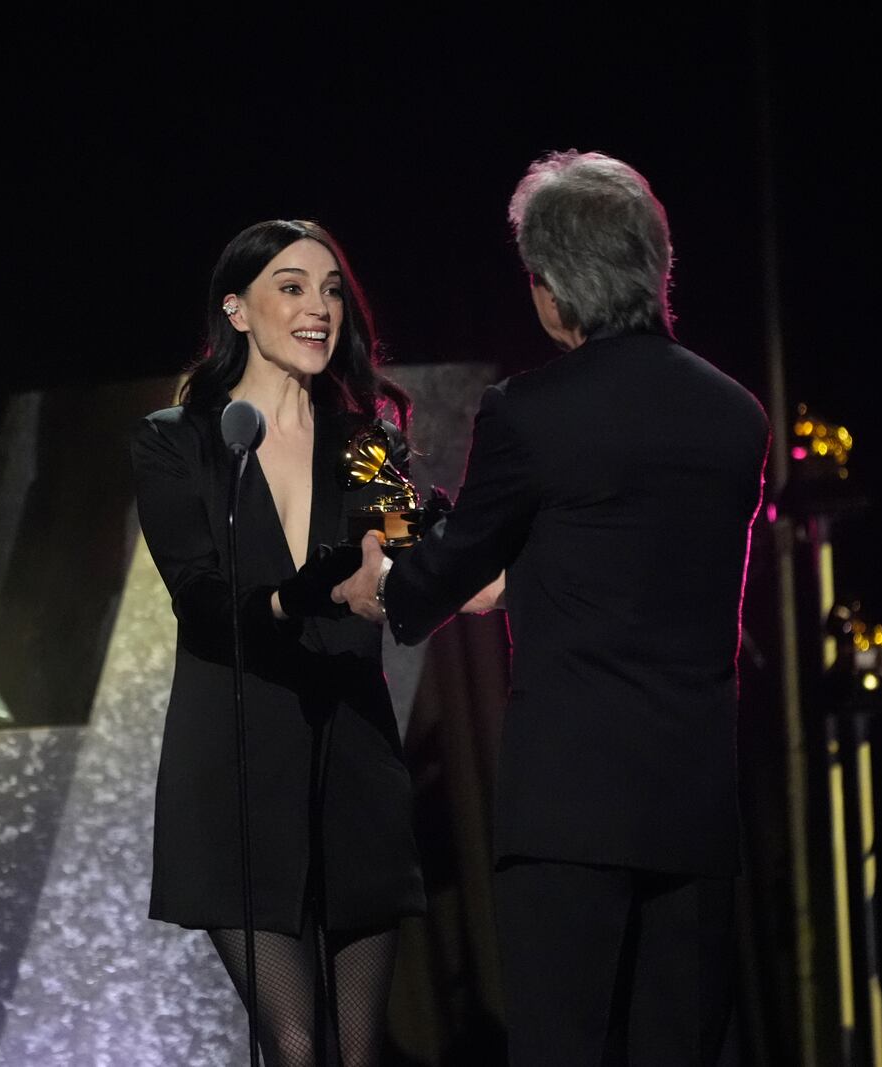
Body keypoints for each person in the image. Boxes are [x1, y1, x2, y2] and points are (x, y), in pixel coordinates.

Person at [335, 152, 770, 1066]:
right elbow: (588, 562)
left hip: (569, 811)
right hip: (694, 810)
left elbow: (433, 580)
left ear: (554, 290)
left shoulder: (532, 414)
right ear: (655, 265)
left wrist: (377, 475)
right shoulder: (736, 415)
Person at [129, 219, 426, 1067]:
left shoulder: (367, 447)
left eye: (331, 289)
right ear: (239, 310)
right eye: (291, 287)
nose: (318, 308)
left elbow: (408, 552)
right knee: (296, 1043)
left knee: (358, 1051)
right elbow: (197, 596)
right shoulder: (178, 440)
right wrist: (317, 588)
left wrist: (432, 563)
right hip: (234, 769)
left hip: (354, 765)